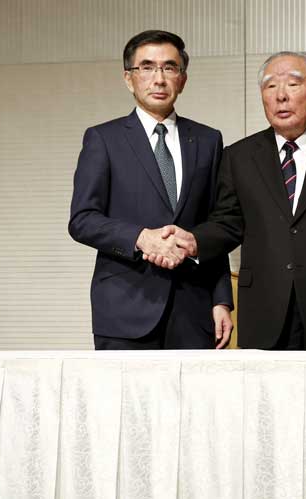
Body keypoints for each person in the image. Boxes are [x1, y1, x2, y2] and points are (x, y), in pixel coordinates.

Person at [152, 51, 306, 350]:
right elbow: (228, 223)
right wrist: (193, 240)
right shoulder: (239, 156)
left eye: (292, 84)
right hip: (266, 311)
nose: (281, 96)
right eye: (270, 86)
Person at [68, 30, 233, 350]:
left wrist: (221, 300)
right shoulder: (103, 139)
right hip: (124, 309)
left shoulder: (208, 140)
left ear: (182, 79)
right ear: (129, 78)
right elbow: (82, 219)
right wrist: (140, 238)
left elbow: (217, 225)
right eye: (146, 67)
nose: (158, 78)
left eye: (169, 67)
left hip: (194, 309)